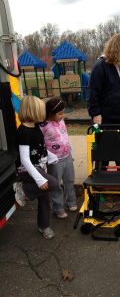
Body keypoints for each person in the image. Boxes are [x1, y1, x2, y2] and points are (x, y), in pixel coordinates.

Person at [15, 96, 58, 240]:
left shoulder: (36, 127)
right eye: (41, 110)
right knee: (52, 183)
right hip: (27, 170)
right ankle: (23, 187)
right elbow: (25, 159)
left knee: (45, 197)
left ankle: (44, 226)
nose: (44, 114)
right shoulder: (23, 132)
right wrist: (39, 180)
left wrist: (50, 156)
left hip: (38, 167)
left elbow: (40, 148)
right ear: (33, 111)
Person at [86, 33, 120, 126]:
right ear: (114, 51)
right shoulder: (100, 66)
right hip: (104, 117)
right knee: (105, 141)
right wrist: (95, 113)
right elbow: (92, 91)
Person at [39, 97, 77, 219]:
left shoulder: (61, 121)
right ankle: (58, 208)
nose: (62, 115)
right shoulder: (43, 125)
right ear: (51, 113)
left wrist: (71, 151)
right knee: (55, 185)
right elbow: (40, 144)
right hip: (55, 161)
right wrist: (50, 158)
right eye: (60, 113)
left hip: (67, 157)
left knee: (70, 180)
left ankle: (71, 202)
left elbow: (66, 135)